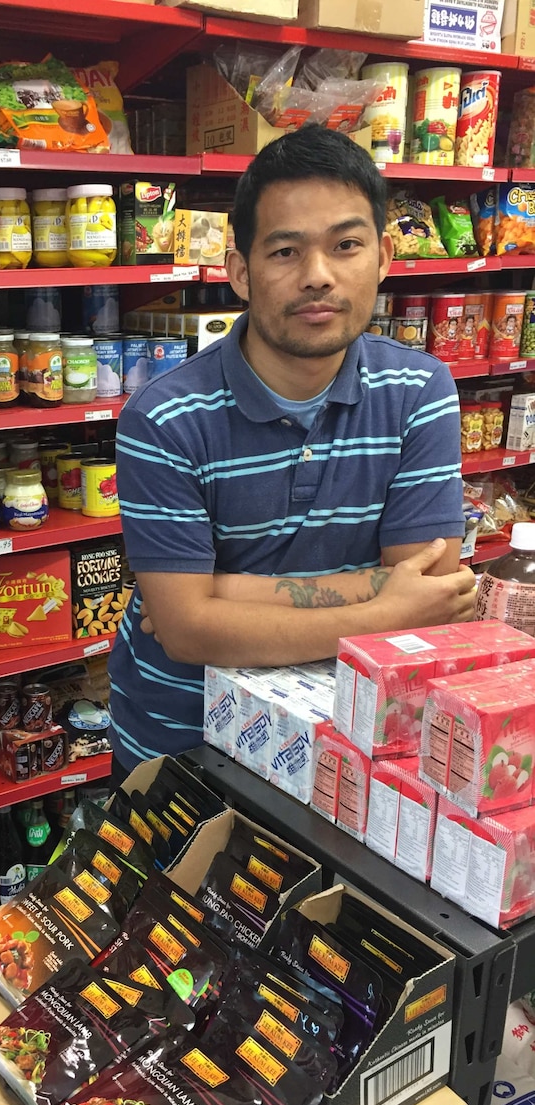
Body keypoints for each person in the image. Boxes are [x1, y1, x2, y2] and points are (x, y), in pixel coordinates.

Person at [108, 125, 477, 784]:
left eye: (347, 245)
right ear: (240, 272)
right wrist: (381, 609)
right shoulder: (163, 417)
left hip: (343, 738)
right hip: (180, 747)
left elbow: (432, 585)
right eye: (285, 251)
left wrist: (226, 597)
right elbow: (187, 631)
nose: (318, 276)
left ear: (386, 256)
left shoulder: (421, 391)